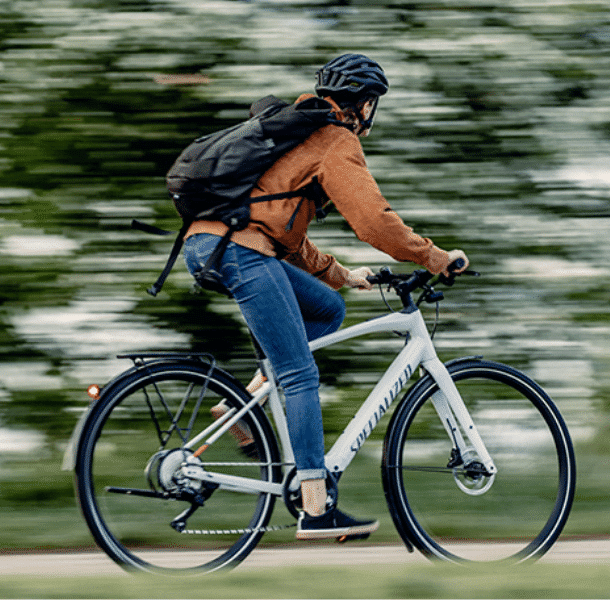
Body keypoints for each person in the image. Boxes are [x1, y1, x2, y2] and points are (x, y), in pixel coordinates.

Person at [182, 53, 469, 541]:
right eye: (372, 104)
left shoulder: (293, 131)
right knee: (300, 374)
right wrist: (433, 257)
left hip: (214, 243)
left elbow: (280, 227)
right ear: (362, 104)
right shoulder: (335, 139)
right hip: (240, 251)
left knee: (325, 308)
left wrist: (340, 274)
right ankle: (315, 508)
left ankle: (243, 406)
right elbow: (373, 221)